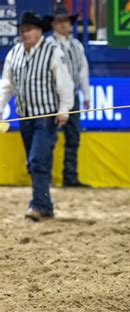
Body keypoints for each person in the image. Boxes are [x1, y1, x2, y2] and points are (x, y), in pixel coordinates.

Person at [0, 11, 74, 220]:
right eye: (22, 30)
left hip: (46, 116)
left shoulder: (53, 51)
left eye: (28, 30)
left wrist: (64, 109)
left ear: (39, 31)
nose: (25, 34)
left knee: (37, 160)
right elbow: (6, 85)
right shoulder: (14, 53)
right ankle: (45, 204)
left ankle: (38, 205)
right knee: (34, 163)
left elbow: (64, 83)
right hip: (24, 116)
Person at [46, 1, 91, 187]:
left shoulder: (77, 45)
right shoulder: (48, 45)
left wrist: (86, 95)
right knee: (48, 139)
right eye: (60, 21)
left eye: (66, 21)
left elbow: (83, 70)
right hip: (52, 98)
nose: (63, 24)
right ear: (54, 24)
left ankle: (70, 177)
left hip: (72, 96)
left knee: (73, 138)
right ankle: (44, 178)